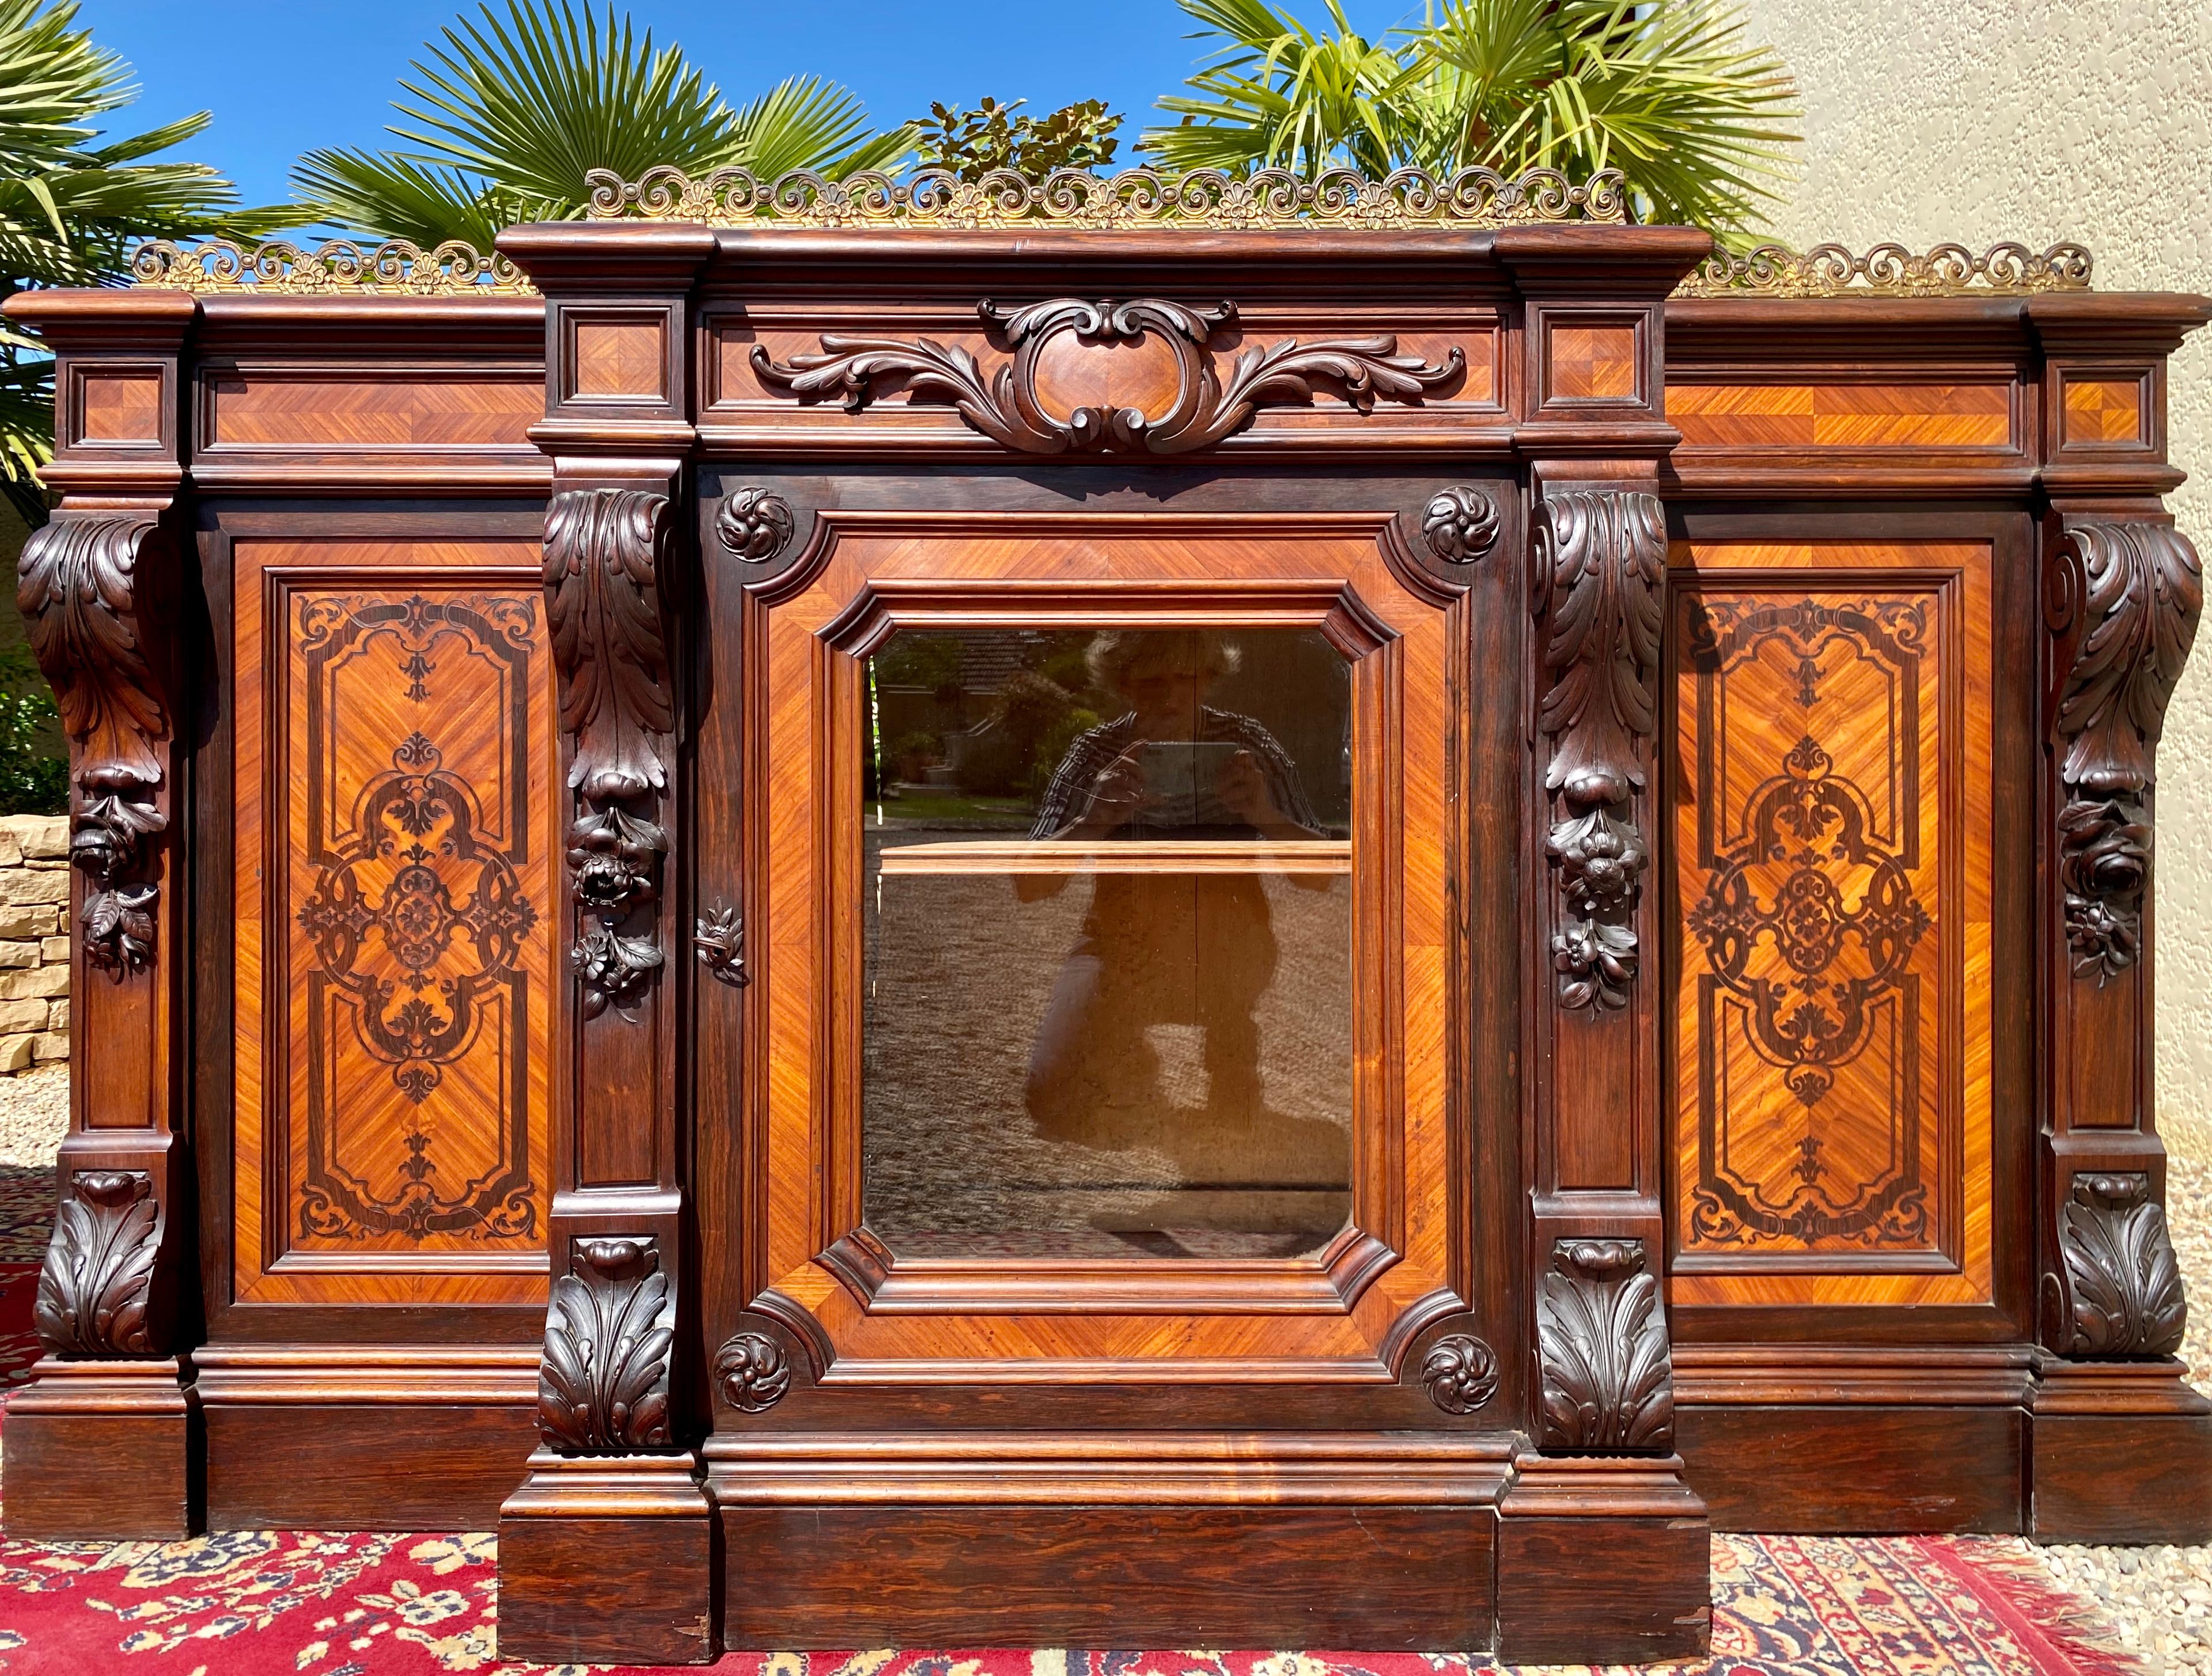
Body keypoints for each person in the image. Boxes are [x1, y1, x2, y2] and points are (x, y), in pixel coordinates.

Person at [1018, 631, 1332, 1166]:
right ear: (1123, 686)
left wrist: (1265, 816)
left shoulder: (1244, 743)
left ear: (1208, 679)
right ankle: (1133, 1057)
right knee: (1052, 1100)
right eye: (1151, 683)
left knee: (1227, 1119)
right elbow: (1031, 885)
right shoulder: (1097, 751)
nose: (1169, 697)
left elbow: (1319, 876)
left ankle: (1229, 1061)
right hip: (1122, 944)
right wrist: (1092, 821)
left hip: (1228, 943)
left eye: (1186, 679)